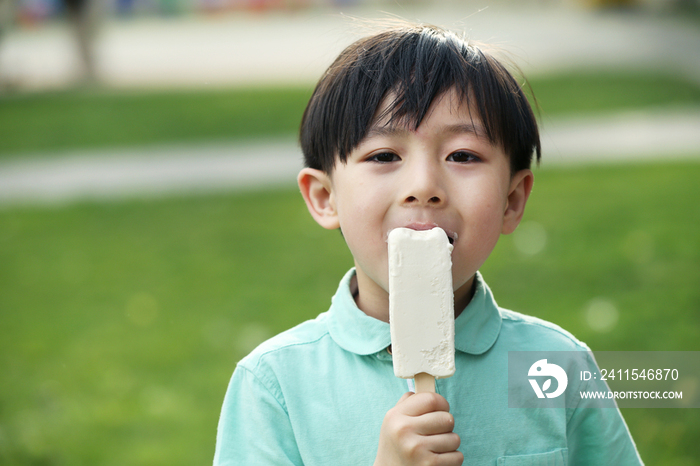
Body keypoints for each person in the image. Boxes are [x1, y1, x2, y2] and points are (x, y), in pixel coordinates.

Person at [213, 23, 643, 465]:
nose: (423, 186)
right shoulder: (274, 384)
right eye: (384, 156)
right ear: (325, 198)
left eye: (462, 155)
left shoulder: (556, 364)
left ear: (512, 201)